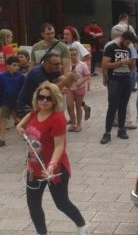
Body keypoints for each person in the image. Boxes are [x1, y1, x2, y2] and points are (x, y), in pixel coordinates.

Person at [15, 82, 89, 235]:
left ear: (55, 99)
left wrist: (51, 165)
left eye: (48, 98)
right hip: (34, 167)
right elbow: (20, 125)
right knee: (33, 204)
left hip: (55, 168)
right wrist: (20, 128)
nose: (44, 101)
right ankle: (42, 233)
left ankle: (82, 225)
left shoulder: (57, 119)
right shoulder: (35, 113)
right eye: (41, 97)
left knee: (61, 203)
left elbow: (59, 146)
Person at [100, 31, 136, 144]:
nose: (128, 44)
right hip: (114, 80)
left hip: (126, 79)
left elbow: (132, 68)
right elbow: (105, 64)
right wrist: (121, 63)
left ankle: (121, 129)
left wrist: (132, 62)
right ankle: (107, 132)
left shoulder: (129, 49)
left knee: (123, 105)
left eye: (130, 43)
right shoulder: (111, 47)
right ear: (123, 38)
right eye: (127, 42)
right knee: (112, 106)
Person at [63, 26, 92, 120]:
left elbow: (88, 55)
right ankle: (82, 109)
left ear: (73, 35)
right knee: (71, 97)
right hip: (68, 74)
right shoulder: (65, 46)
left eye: (67, 34)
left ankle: (74, 119)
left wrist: (78, 63)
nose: (65, 36)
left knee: (74, 96)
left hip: (77, 76)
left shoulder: (76, 44)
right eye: (64, 34)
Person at [0, 57, 25, 145]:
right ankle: (2, 139)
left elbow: (23, 89)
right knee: (3, 119)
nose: (16, 67)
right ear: (8, 66)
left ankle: (25, 134)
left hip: (18, 101)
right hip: (6, 101)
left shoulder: (21, 76)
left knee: (22, 118)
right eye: (14, 65)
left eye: (18, 65)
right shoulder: (2, 76)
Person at [65, 47, 90, 133]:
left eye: (75, 55)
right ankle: (73, 122)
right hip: (69, 88)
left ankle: (78, 124)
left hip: (80, 88)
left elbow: (87, 75)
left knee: (78, 106)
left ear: (77, 55)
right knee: (69, 105)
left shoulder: (82, 64)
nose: (73, 57)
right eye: (71, 55)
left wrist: (81, 82)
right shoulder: (67, 64)